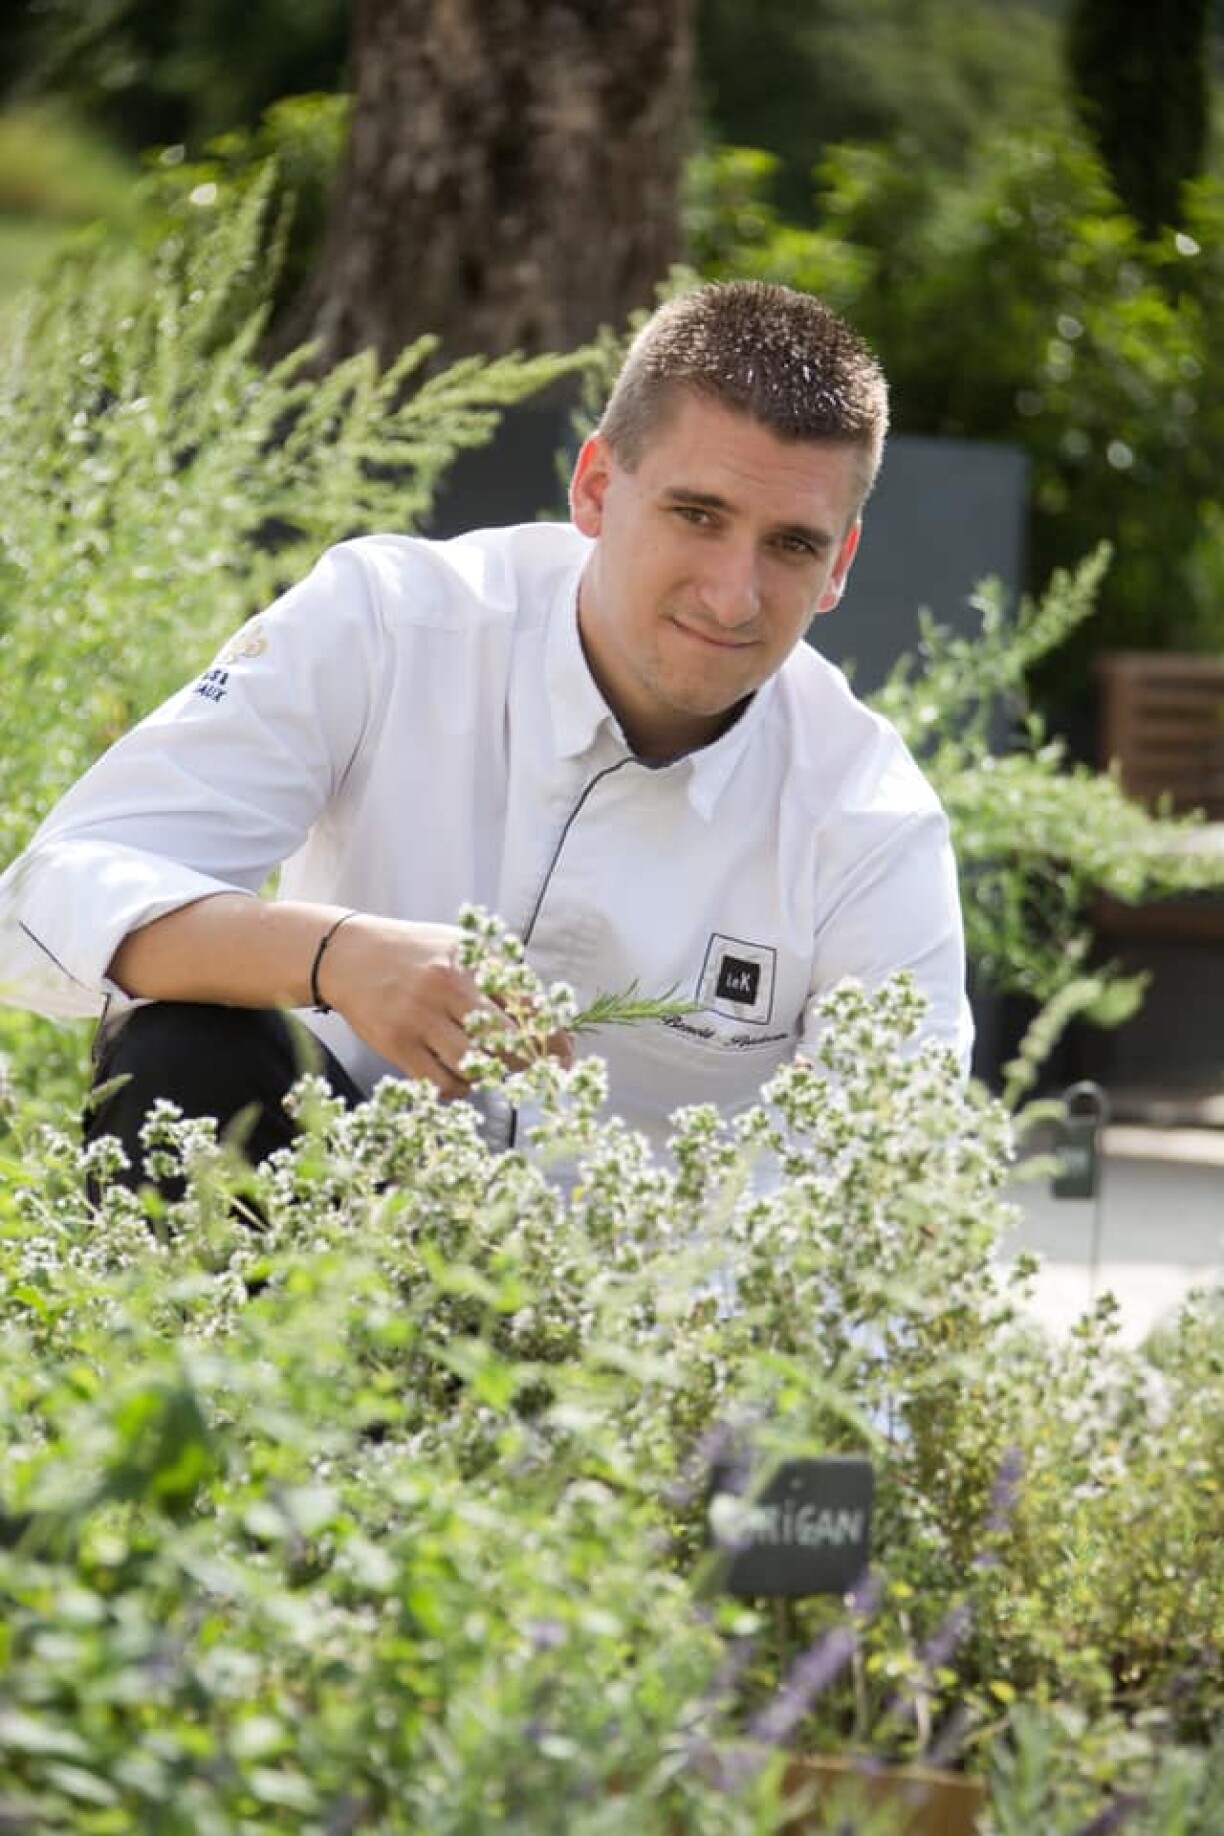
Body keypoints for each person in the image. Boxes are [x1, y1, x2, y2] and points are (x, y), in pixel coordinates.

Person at [0, 280, 973, 1193]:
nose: (733, 595)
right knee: (183, 1052)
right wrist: (336, 955)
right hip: (321, 1243)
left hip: (642, 1297)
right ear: (596, 487)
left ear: (839, 564)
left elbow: (900, 1172)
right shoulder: (387, 622)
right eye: (696, 514)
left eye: (791, 544)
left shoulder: (868, 818)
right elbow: (48, 898)